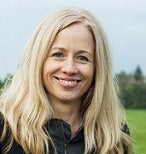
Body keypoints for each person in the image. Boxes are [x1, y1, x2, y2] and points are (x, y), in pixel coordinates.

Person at [0, 7, 133, 154]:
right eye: (58, 54)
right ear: (39, 60)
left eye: (82, 58)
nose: (69, 69)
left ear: (98, 68)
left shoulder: (114, 137)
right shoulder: (4, 129)